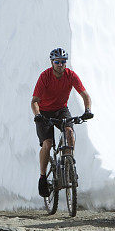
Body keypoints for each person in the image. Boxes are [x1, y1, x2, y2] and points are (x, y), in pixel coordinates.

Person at [32, 48, 93, 198]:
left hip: (61, 110)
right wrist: (38, 114)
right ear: (52, 62)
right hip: (44, 112)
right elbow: (34, 101)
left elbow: (85, 95)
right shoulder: (45, 76)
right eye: (57, 62)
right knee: (47, 143)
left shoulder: (70, 75)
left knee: (70, 132)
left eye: (63, 62)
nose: (60, 64)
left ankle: (68, 164)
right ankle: (42, 177)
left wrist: (87, 110)